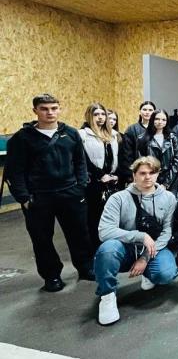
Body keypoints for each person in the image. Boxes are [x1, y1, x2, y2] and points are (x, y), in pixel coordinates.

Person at [6, 94, 94, 292]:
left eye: (54, 108)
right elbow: (15, 171)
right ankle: (52, 276)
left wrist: (80, 187)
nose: (50, 113)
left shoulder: (70, 134)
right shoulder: (22, 138)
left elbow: (80, 162)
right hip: (39, 197)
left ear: (59, 109)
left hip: (71, 193)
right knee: (42, 239)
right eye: (44, 109)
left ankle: (85, 267)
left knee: (80, 234)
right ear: (35, 111)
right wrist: (24, 198)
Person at [94, 156, 178, 326]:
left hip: (153, 249)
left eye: (152, 173)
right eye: (142, 173)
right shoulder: (118, 198)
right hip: (125, 248)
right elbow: (104, 231)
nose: (148, 177)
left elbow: (167, 232)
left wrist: (145, 258)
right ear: (134, 175)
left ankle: (149, 274)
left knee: (166, 273)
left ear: (157, 174)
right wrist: (140, 236)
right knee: (107, 249)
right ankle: (107, 296)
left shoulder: (169, 198)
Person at [79, 103, 120, 252]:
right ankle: (95, 248)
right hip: (94, 181)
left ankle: (110, 245)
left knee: (111, 215)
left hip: (111, 181)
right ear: (89, 116)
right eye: (96, 114)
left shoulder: (113, 134)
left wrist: (116, 175)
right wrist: (101, 175)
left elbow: (116, 157)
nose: (100, 117)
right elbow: (82, 159)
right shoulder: (82, 134)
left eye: (103, 114)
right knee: (94, 217)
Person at [137, 109, 178, 196]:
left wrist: (166, 183)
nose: (160, 122)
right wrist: (153, 180)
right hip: (150, 178)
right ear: (152, 120)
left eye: (163, 119)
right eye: (157, 119)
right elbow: (141, 162)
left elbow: (177, 161)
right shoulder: (142, 138)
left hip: (171, 180)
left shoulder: (172, 137)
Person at [119, 101, 156, 184]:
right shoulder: (131, 129)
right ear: (140, 112)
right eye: (144, 109)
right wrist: (131, 175)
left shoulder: (159, 129)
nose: (147, 112)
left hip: (155, 171)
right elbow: (127, 154)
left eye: (150, 110)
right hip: (137, 172)